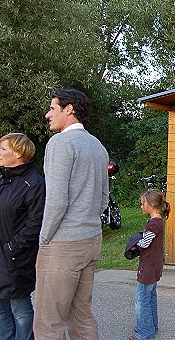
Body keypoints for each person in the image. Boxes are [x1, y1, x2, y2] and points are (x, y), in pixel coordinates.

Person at [33, 89, 109, 340]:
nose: (48, 114)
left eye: (52, 108)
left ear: (69, 110)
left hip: (63, 244)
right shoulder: (97, 145)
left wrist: (44, 239)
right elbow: (103, 199)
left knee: (48, 323)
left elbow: (56, 201)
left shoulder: (60, 143)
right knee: (81, 315)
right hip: (91, 239)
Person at [0, 133, 45, 340]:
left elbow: (35, 224)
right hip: (2, 257)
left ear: (18, 154)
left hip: (17, 259)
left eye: (3, 149)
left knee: (20, 310)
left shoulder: (34, 183)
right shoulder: (3, 180)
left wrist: (11, 248)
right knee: (2, 311)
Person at [129, 189, 170, 340]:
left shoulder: (153, 224)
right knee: (150, 297)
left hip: (148, 267)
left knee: (142, 300)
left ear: (151, 205)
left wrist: (134, 245)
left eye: (143, 204)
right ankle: (151, 326)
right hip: (155, 266)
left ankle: (145, 331)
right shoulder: (158, 221)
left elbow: (145, 243)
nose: (141, 206)